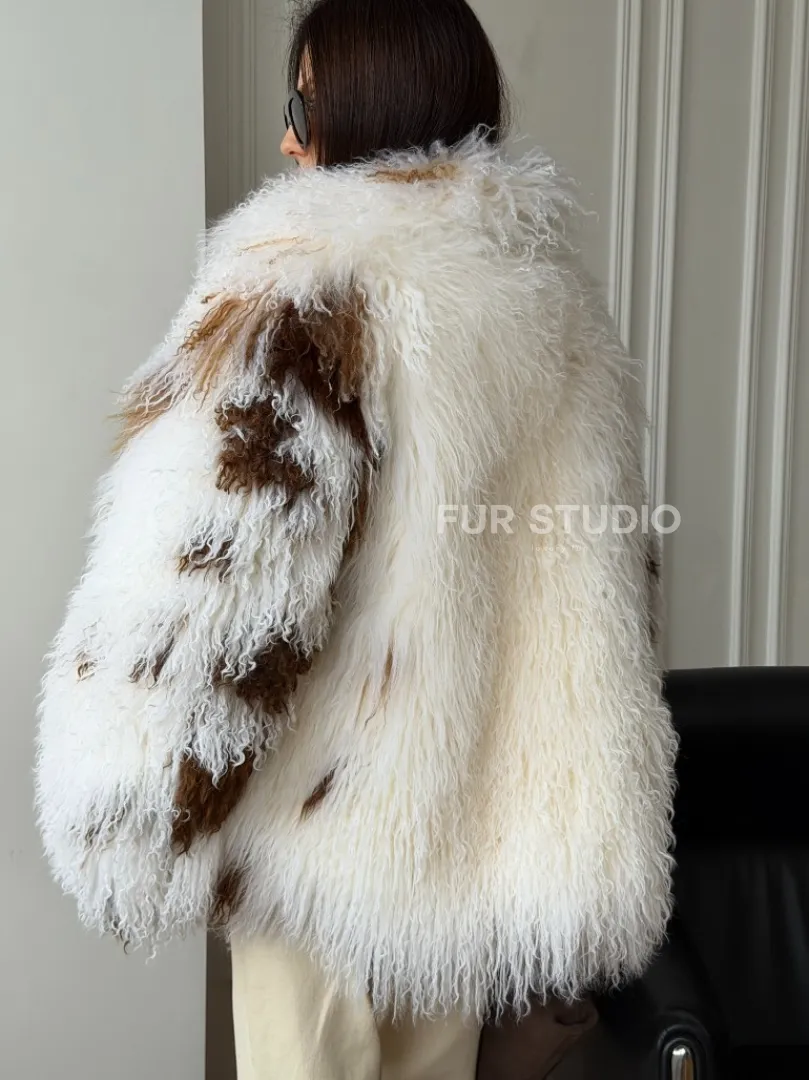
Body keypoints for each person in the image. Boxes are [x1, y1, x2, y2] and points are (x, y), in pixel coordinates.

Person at [35, 1, 677, 1078]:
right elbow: (607, 596)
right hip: (465, 849)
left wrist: (133, 816)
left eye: (304, 108)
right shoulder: (554, 306)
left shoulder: (305, 287)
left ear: (364, 111)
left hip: (320, 848)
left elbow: (218, 579)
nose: (290, 142)